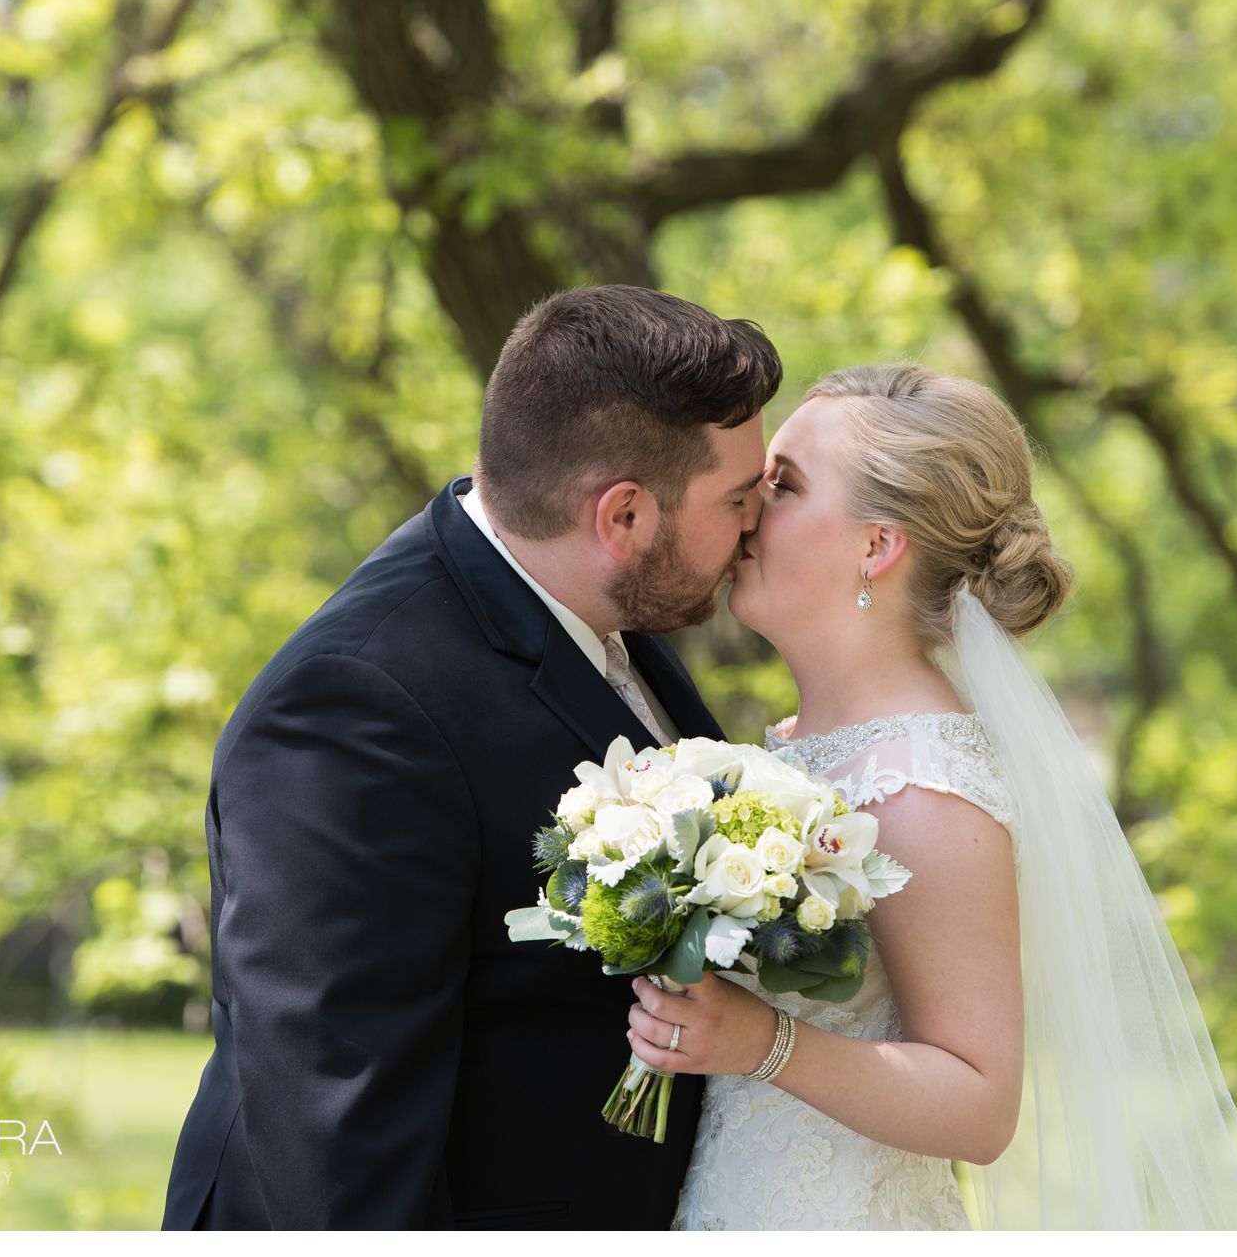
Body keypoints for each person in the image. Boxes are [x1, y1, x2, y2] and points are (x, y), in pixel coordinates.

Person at [160, 285, 780, 1228]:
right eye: (738, 499)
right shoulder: (353, 709)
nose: (756, 527)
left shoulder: (604, 617)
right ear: (621, 517)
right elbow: (338, 1133)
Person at [626, 363, 1237, 1230]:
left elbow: (979, 1105)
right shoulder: (786, 748)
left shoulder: (927, 786)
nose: (746, 508)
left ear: (877, 546)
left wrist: (760, 1043)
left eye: (781, 486)